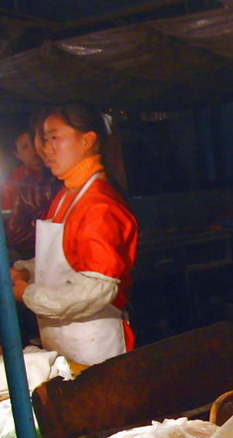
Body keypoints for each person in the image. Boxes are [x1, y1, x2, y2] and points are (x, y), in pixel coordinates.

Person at [10, 102, 138, 366]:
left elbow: (96, 288)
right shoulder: (67, 196)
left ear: (87, 140)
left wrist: (28, 293)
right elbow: (66, 263)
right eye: (45, 140)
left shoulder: (99, 205)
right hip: (64, 343)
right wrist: (26, 271)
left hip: (97, 348)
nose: (46, 150)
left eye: (54, 138)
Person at [2, 125, 60, 261]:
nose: (33, 150)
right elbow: (15, 230)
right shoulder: (15, 180)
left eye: (35, 142)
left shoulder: (59, 176)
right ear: (17, 155)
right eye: (24, 147)